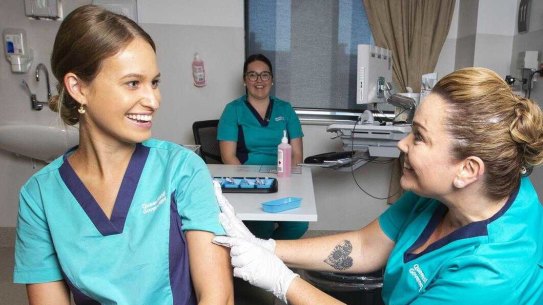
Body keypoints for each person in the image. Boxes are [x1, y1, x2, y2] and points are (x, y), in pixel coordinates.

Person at [214, 67, 543, 305]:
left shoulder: (491, 275)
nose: (404, 144)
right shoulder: (444, 193)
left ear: (467, 170)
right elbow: (365, 245)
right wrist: (265, 247)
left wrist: (284, 282)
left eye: (420, 137)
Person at [13, 5, 233, 305]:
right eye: (133, 83)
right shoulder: (39, 196)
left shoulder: (181, 169)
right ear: (78, 88)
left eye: (154, 82)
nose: (153, 100)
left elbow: (217, 298)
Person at [217, 54, 308, 240]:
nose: (259, 80)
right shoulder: (233, 110)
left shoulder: (286, 109)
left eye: (265, 75)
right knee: (262, 224)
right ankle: (262, 259)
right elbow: (228, 157)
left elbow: (297, 155)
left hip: (283, 179)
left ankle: (269, 254)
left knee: (299, 225)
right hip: (250, 180)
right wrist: (251, 184)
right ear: (245, 80)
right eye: (252, 75)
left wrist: (287, 182)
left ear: (272, 80)